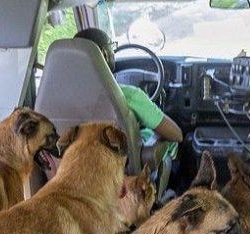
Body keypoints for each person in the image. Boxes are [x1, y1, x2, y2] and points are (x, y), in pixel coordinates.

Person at [73, 28, 183, 158]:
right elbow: (176, 135)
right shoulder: (127, 95)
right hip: (124, 171)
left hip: (76, 168)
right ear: (105, 54)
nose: (113, 51)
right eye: (111, 47)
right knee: (171, 141)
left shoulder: (53, 98)